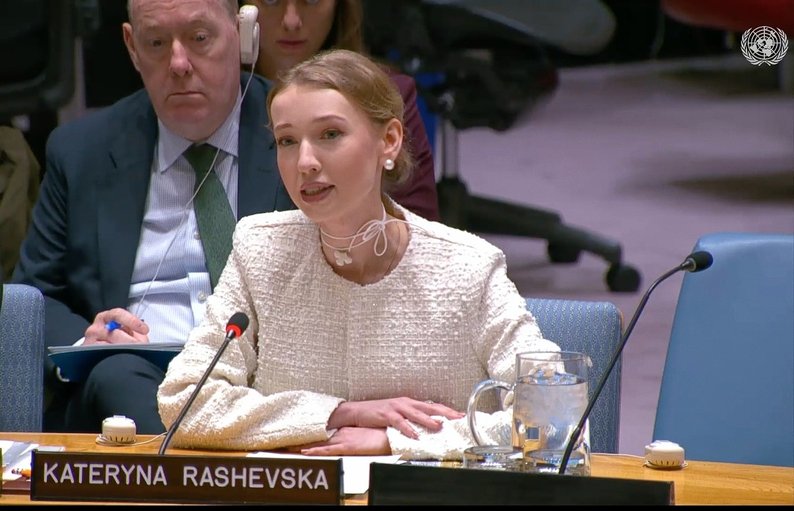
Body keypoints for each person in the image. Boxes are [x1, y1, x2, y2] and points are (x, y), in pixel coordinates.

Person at [157, 49, 559, 459]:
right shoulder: (260, 249)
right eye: (287, 141)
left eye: (330, 134)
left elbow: (554, 415)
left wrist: (395, 440)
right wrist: (338, 414)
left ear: (389, 141)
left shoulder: (467, 266)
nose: (305, 162)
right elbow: (184, 401)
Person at [12, 0, 292, 434]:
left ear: (241, 33)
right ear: (131, 46)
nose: (178, 64)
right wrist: (89, 338)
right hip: (131, 381)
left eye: (200, 38)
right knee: (116, 375)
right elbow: (34, 298)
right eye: (157, 43)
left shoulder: (297, 135)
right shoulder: (82, 151)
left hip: (263, 380)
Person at [244, 0, 440, 221]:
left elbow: (418, 230)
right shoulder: (218, 103)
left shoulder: (390, 94)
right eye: (271, 0)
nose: (291, 21)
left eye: (331, 134)